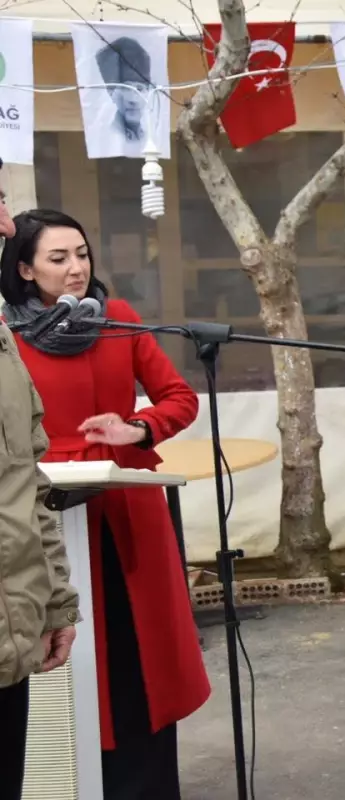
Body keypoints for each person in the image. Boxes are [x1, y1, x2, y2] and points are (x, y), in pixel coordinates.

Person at [0, 209, 210, 799]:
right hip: (45, 519)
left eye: (82, 255)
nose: (76, 269)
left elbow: (178, 398)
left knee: (135, 662)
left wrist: (137, 430)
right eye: (58, 258)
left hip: (125, 513)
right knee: (68, 669)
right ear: (23, 269)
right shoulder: (4, 334)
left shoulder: (116, 318)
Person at [0, 181, 81, 800]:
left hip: (13, 634)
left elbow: (28, 479)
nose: (6, 226)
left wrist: (56, 603)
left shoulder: (1, 339)